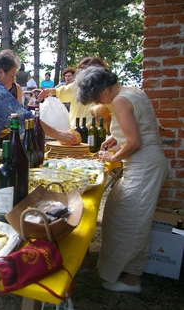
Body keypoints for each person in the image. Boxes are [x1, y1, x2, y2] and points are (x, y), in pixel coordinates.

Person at [75, 66, 168, 294]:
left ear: (105, 89)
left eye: (98, 97)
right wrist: (114, 137)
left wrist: (113, 156)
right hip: (146, 164)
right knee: (119, 214)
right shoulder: (131, 91)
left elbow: (135, 142)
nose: (100, 102)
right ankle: (121, 271)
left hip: (144, 166)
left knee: (131, 222)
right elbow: (139, 128)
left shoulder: (119, 101)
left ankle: (131, 280)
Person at [38, 58, 106, 129]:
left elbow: (112, 114)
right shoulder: (76, 86)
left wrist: (107, 118)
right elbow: (60, 91)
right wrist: (48, 91)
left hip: (95, 131)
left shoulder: (105, 89)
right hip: (75, 128)